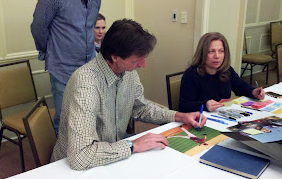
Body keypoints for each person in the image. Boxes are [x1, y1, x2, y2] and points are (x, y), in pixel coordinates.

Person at [51, 19, 207, 170]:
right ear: (115, 57)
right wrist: (133, 145)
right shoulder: (85, 84)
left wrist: (181, 116)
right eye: (137, 60)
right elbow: (81, 156)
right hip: (74, 168)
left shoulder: (127, 72)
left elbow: (141, 108)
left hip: (110, 154)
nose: (143, 65)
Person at [30, 0, 101, 135]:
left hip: (89, 67)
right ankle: (63, 155)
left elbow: (88, 28)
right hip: (62, 68)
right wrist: (51, 51)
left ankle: (87, 150)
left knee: (90, 113)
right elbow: (38, 27)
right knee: (65, 119)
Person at [179, 32, 265, 113]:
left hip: (222, 115)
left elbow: (240, 86)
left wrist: (253, 91)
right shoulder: (191, 75)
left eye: (221, 51)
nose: (217, 56)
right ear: (202, 53)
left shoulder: (226, 70)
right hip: (200, 119)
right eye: (211, 51)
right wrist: (205, 104)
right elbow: (183, 106)